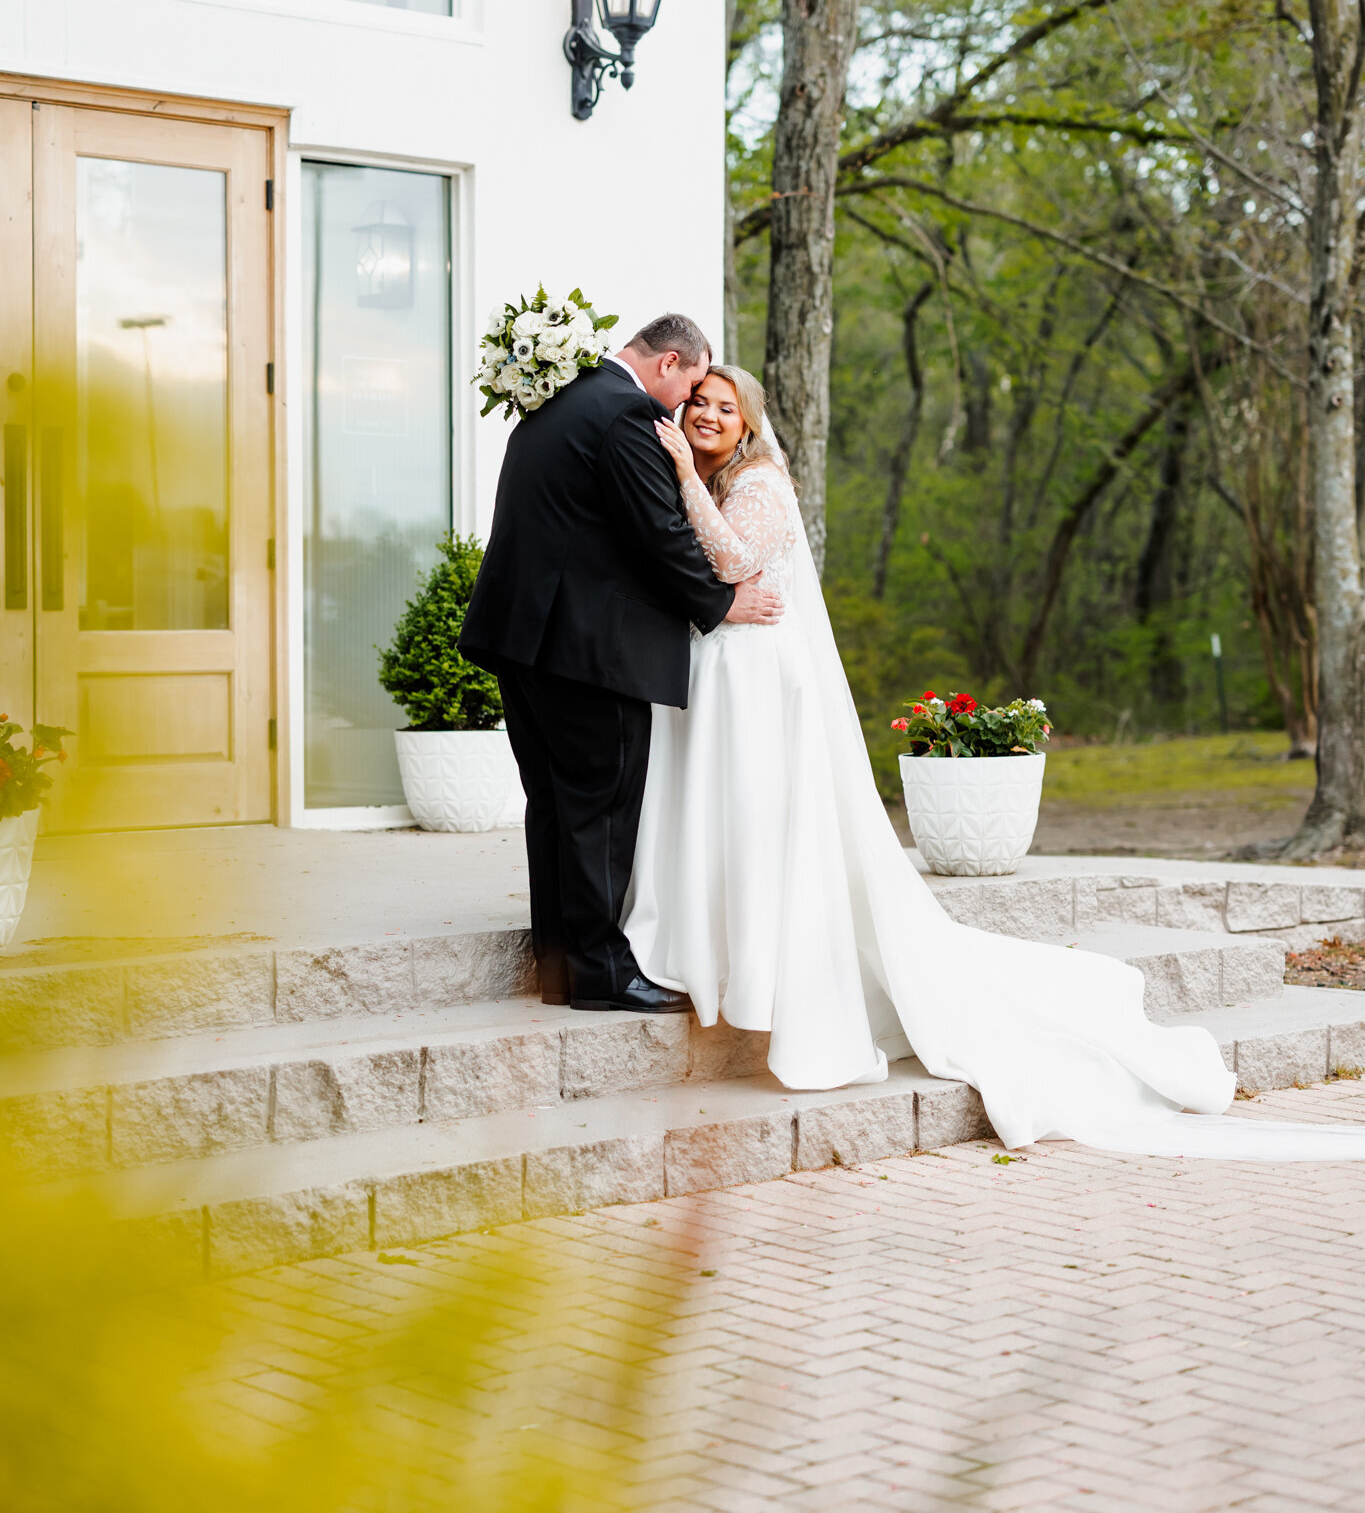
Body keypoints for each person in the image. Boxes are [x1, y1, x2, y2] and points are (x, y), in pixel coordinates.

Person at [630, 363, 1365, 1160]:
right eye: (698, 403)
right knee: (727, 824)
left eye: (722, 407)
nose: (705, 414)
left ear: (748, 424)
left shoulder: (762, 482)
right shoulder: (711, 475)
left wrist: (679, 474)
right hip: (723, 678)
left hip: (763, 687)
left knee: (765, 827)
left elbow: (737, 561)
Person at [459, 315, 782, 1013]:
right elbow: (658, 533)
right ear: (668, 363)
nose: (685, 406)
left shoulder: (562, 401)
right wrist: (718, 603)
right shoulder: (625, 413)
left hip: (525, 643)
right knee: (599, 808)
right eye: (691, 388)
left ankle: (562, 967)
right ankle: (603, 973)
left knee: (553, 805)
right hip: (586, 653)